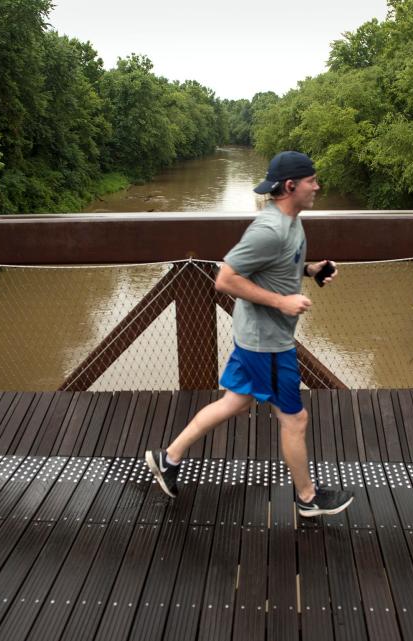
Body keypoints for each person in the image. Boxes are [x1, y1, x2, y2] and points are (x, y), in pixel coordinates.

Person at [146, 151, 354, 518]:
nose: (318, 187)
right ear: (291, 186)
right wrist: (280, 302)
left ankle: (168, 458)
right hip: (267, 343)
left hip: (256, 336)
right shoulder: (269, 229)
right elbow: (225, 279)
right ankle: (307, 498)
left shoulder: (291, 222)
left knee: (235, 402)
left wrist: (312, 269)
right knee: (295, 419)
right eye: (312, 181)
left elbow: (278, 264)